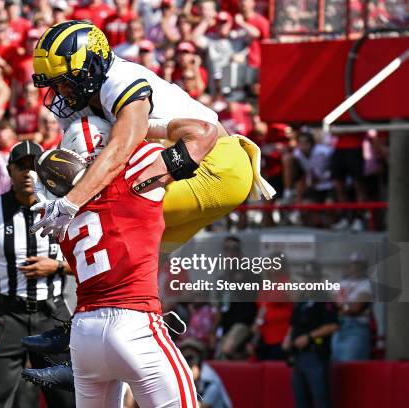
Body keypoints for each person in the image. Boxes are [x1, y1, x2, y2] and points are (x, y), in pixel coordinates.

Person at [30, 20, 273, 255]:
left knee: (100, 217)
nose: (62, 91)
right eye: (55, 84)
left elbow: (121, 148)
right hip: (181, 169)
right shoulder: (82, 98)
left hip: (215, 166)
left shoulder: (119, 80)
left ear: (93, 65)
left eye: (66, 81)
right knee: (122, 253)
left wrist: (71, 202)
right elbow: (73, 159)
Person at [28, 114, 213, 406]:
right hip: (134, 323)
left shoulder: (57, 212)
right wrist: (136, 125)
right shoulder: (135, 173)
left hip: (84, 334)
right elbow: (203, 131)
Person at [0, 140, 75, 408]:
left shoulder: (65, 208)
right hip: (7, 316)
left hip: (52, 315)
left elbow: (89, 258)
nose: (28, 173)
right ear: (9, 170)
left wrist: (57, 266)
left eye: (34, 166)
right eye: (21, 166)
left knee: (69, 400)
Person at [282, 262, 339, 408]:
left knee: (320, 398)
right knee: (301, 400)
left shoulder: (324, 298)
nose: (308, 282)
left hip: (315, 353)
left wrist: (309, 337)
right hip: (298, 355)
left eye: (312, 278)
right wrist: (288, 338)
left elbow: (333, 325)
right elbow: (294, 323)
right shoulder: (302, 299)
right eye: (306, 278)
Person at [332, 252, 373, 361]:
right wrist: (346, 306)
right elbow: (333, 303)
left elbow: (356, 308)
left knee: (350, 362)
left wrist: (342, 307)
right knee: (335, 364)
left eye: (359, 265)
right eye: (353, 264)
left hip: (356, 328)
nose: (355, 268)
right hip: (339, 326)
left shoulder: (367, 284)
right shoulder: (343, 283)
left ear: (364, 267)